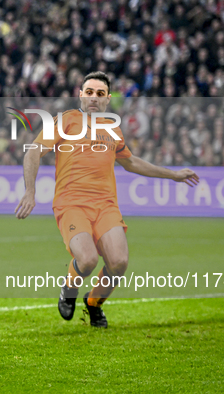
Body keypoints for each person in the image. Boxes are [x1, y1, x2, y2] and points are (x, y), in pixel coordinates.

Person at [14, 71, 199, 328]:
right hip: (71, 203)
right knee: (87, 260)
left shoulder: (112, 129)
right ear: (80, 95)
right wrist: (30, 191)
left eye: (100, 94)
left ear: (108, 99)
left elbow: (131, 162)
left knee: (119, 263)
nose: (93, 98)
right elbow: (34, 151)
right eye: (89, 92)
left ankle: (94, 303)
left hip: (105, 205)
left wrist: (173, 175)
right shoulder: (66, 120)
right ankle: (69, 288)